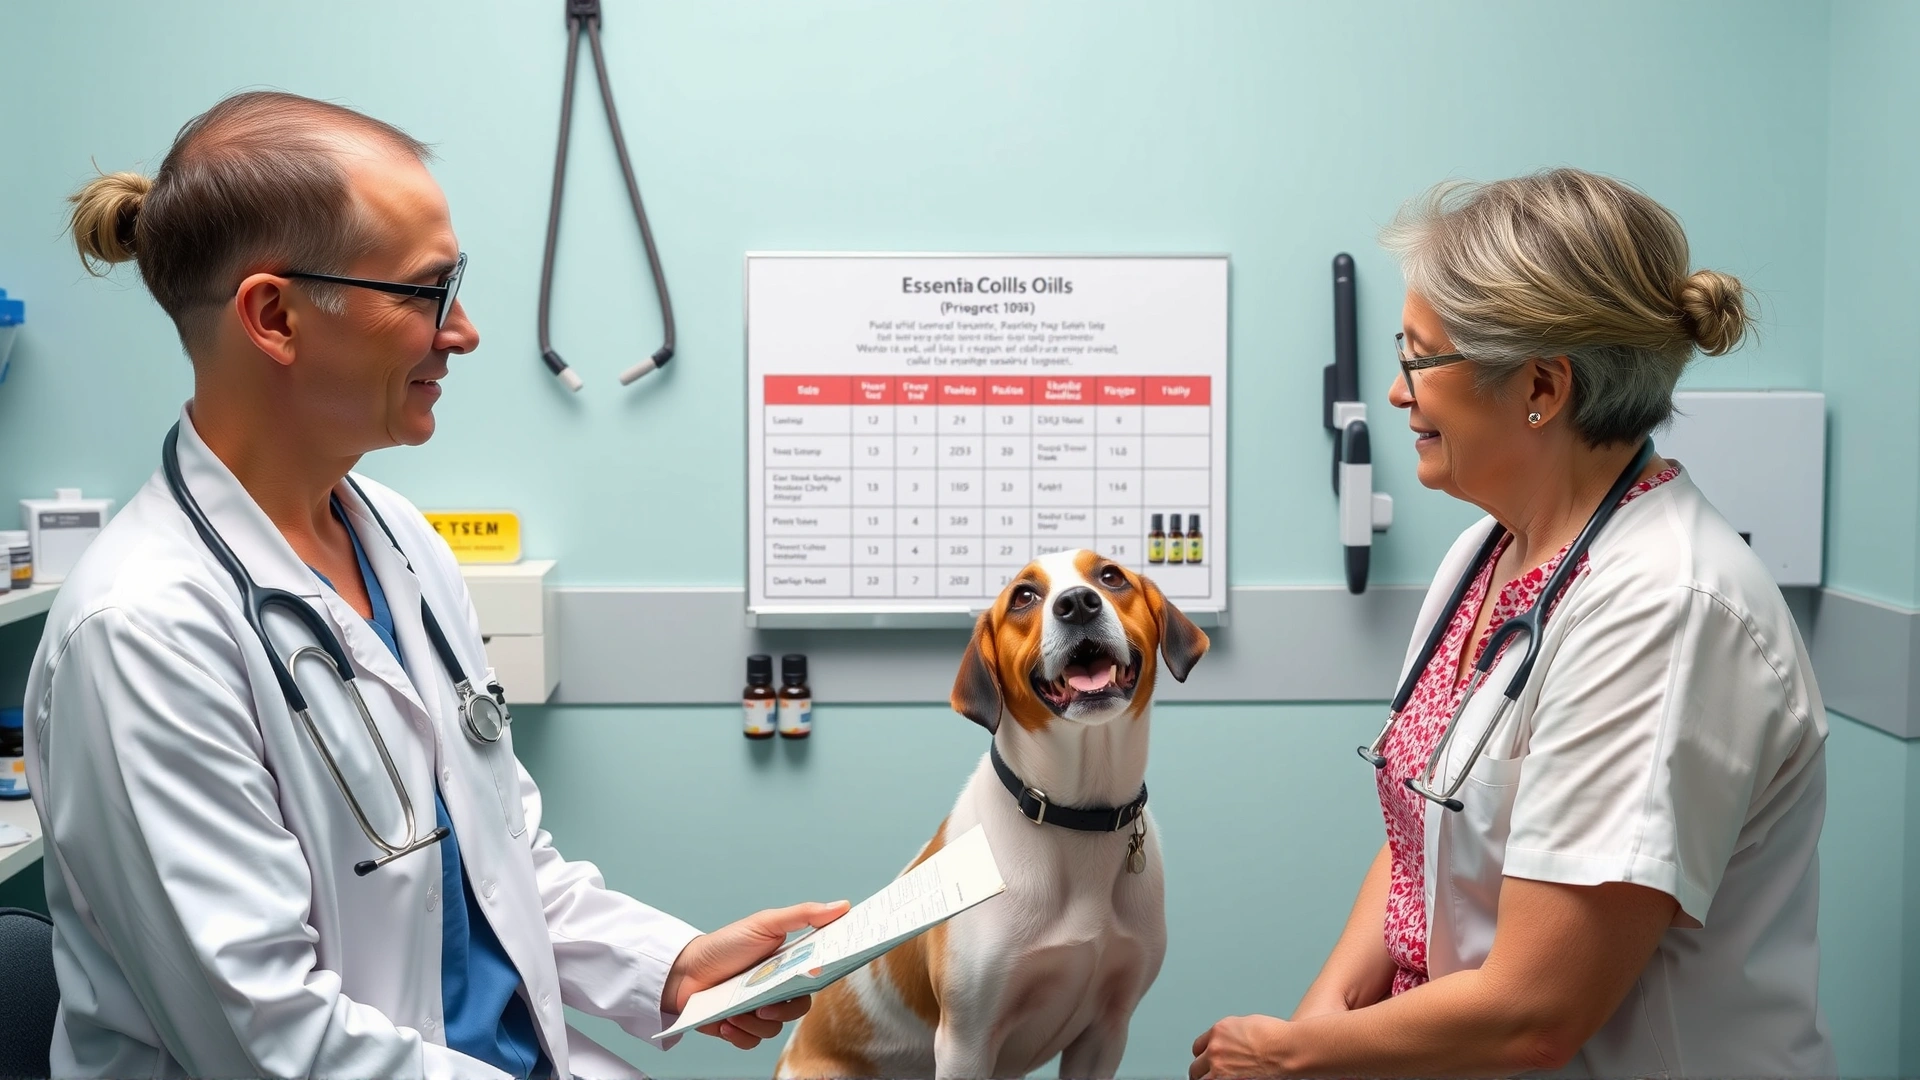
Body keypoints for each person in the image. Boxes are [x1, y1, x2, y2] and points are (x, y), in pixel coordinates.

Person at [26, 91, 846, 1079]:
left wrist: (671, 967)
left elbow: (503, 867)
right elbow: (274, 1043)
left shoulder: (401, 544)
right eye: (428, 293)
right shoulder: (143, 633)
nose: (462, 334)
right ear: (275, 315)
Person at [1191, 169, 1834, 1078]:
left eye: (1420, 358)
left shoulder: (1666, 611)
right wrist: (1314, 1024)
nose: (1398, 391)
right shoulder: (1487, 558)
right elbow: (1426, 837)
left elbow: (1536, 1011)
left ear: (1541, 383)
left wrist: (1298, 1058)